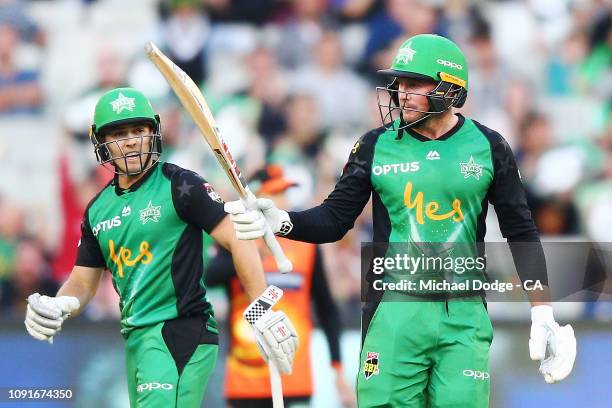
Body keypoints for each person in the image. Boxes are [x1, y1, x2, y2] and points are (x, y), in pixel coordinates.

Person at [225, 34, 577, 407]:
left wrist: (542, 310)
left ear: (449, 88)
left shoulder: (490, 147)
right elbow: (334, 219)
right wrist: (281, 221)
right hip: (393, 311)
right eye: (399, 84)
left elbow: (520, 231)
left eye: (413, 83)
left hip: (463, 314)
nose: (401, 93)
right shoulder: (375, 145)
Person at [23, 87, 298, 408]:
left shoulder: (182, 185)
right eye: (118, 133)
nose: (129, 140)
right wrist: (62, 304)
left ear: (153, 132)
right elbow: (83, 281)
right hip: (137, 339)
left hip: (181, 330)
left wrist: (261, 308)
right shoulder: (97, 209)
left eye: (138, 130)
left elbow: (238, 240)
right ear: (100, 142)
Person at [206, 165, 356, 408]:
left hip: (294, 378)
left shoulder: (305, 245)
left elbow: (327, 309)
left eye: (285, 193)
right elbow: (211, 276)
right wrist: (254, 250)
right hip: (245, 380)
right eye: (274, 193)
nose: (282, 200)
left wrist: (337, 370)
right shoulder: (235, 237)